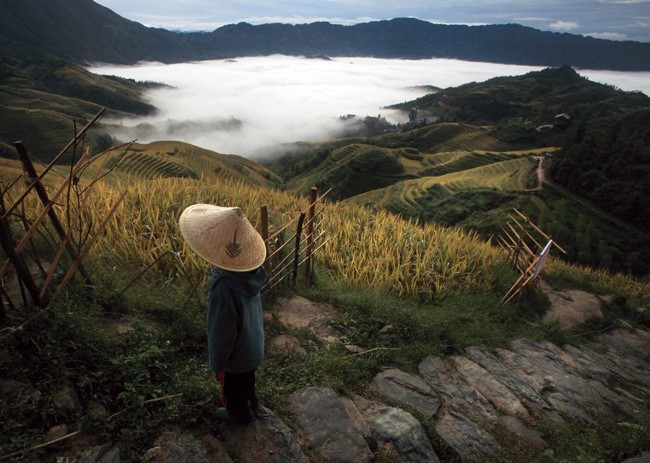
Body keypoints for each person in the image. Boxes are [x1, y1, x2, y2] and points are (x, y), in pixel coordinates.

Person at [179, 204, 267, 424]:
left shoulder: (223, 286)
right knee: (247, 380)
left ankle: (239, 414)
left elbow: (221, 330)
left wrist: (217, 362)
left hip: (236, 356)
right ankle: (253, 402)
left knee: (232, 389)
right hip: (254, 346)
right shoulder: (253, 275)